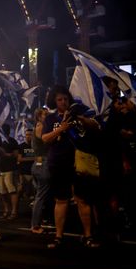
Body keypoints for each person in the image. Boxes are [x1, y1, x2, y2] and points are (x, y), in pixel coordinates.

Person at [42, 85, 100, 248]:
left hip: (78, 164)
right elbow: (45, 138)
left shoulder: (79, 115)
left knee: (83, 200)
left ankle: (88, 235)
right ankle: (58, 236)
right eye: (59, 99)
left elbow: (95, 127)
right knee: (61, 200)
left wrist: (79, 118)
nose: (63, 102)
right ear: (54, 101)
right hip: (59, 163)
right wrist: (61, 129)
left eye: (65, 99)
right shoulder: (50, 119)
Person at [30, 108, 51, 234]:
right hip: (43, 163)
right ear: (39, 117)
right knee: (40, 196)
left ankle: (41, 221)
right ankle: (35, 225)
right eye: (45, 114)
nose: (48, 116)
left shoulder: (38, 126)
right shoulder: (41, 127)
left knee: (42, 194)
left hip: (39, 163)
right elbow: (47, 141)